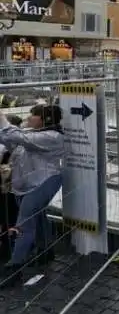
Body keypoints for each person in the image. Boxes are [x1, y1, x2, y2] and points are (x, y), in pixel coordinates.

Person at [0, 105, 66, 289]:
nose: (29, 118)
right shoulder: (37, 133)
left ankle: (14, 267)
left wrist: (3, 120)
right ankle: (46, 249)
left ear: (46, 120)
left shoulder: (52, 137)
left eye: (34, 115)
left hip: (43, 182)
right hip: (29, 183)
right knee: (37, 215)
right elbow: (11, 140)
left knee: (24, 222)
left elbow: (18, 138)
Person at [0, 115, 21, 264]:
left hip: (7, 188)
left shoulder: (9, 145)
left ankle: (8, 249)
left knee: (7, 218)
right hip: (10, 189)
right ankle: (9, 246)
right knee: (9, 218)